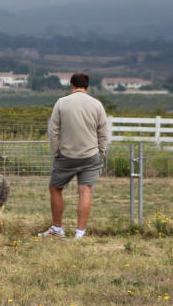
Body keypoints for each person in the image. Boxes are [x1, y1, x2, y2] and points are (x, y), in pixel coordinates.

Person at [40, 72, 108, 239]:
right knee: (85, 191)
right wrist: (101, 153)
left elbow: (53, 130)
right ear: (87, 86)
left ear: (71, 85)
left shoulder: (61, 103)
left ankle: (57, 229)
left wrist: (56, 151)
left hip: (67, 155)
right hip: (91, 155)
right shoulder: (97, 104)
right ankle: (80, 233)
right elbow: (103, 132)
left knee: (55, 188)